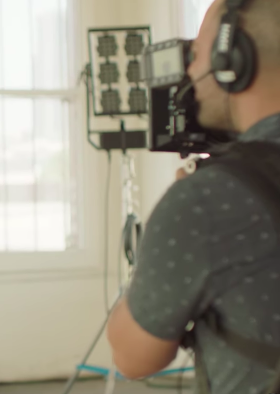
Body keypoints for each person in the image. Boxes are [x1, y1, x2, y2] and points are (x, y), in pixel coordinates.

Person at [107, 0, 280, 391]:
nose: (189, 72)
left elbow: (133, 357)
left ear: (232, 60)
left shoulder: (207, 202)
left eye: (197, 54)